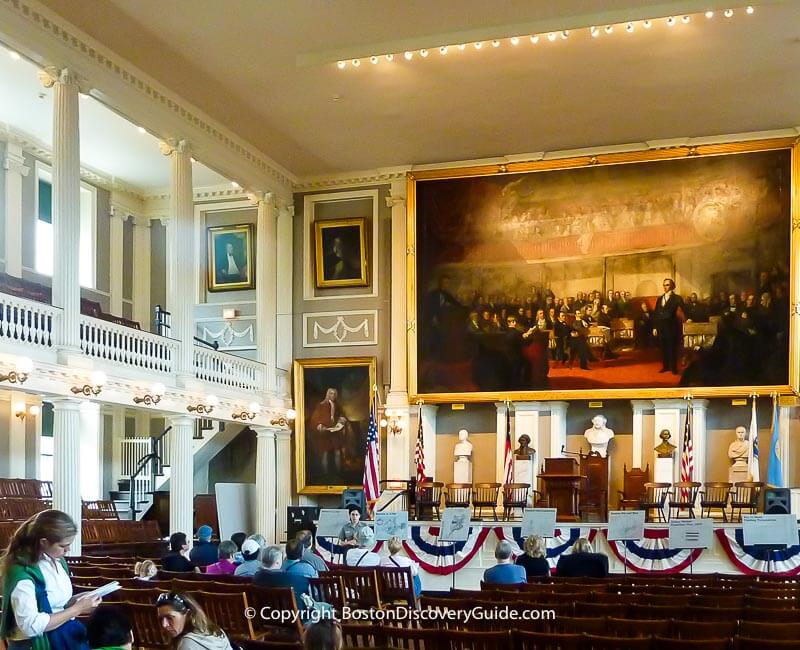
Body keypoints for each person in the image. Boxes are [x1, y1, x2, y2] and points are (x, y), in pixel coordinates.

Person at [0, 510, 102, 650]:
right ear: (44, 542)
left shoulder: (57, 561)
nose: (68, 550)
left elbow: (56, 604)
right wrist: (77, 609)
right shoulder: (23, 571)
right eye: (62, 546)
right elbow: (31, 625)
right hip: (31, 644)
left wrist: (78, 601)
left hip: (59, 635)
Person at [156, 592, 233, 650]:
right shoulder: (216, 630)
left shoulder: (187, 643)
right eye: (161, 619)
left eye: (170, 618)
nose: (164, 624)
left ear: (188, 614)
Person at [309, 388, 350, 479]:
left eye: (335, 394)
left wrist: (342, 421)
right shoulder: (321, 406)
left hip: (335, 433)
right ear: (328, 394)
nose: (333, 395)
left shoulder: (338, 406)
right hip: (325, 433)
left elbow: (342, 416)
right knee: (325, 453)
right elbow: (315, 418)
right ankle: (325, 475)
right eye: (331, 393)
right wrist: (319, 424)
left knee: (337, 453)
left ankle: (338, 474)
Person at [652, 278, 684, 374]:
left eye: (667, 285)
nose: (665, 287)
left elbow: (684, 309)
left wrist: (689, 318)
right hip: (661, 327)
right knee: (663, 347)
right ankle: (665, 367)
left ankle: (673, 368)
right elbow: (656, 314)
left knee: (672, 348)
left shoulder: (677, 298)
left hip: (671, 327)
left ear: (672, 286)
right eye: (664, 285)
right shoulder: (660, 298)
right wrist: (654, 327)